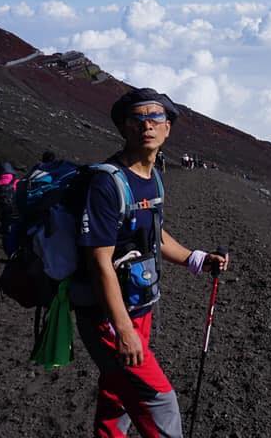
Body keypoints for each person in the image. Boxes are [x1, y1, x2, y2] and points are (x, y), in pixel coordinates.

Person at [73, 88, 228, 437]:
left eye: (156, 117)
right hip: (110, 317)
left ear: (168, 128)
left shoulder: (152, 177)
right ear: (123, 128)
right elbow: (99, 261)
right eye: (137, 118)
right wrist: (123, 329)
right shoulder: (106, 183)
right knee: (159, 401)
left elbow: (154, 236)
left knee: (117, 395)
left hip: (139, 308)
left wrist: (197, 259)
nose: (147, 124)